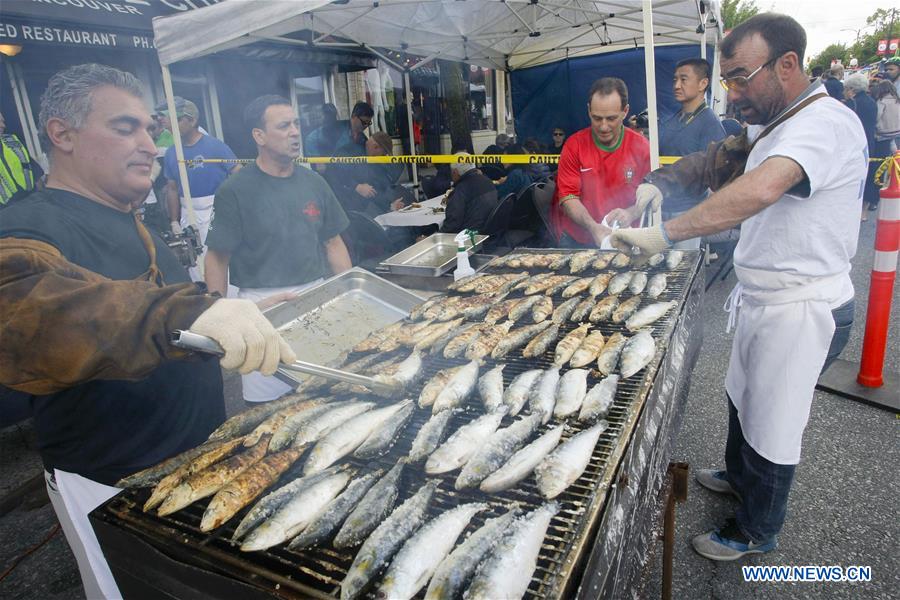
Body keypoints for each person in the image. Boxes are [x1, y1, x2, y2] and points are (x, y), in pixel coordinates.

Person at [0, 64, 295, 599]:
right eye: (125, 128)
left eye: (150, 130)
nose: (149, 145)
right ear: (62, 134)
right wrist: (181, 313)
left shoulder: (137, 221)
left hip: (198, 461)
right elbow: (24, 317)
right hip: (112, 487)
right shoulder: (27, 227)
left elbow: (164, 324)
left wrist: (223, 314)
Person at [610, 13, 865, 561]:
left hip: (803, 306)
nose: (732, 93)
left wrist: (665, 234)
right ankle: (738, 476)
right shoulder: (774, 122)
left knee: (774, 423)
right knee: (743, 395)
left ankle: (757, 529)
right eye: (726, 80)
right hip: (763, 299)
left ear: (788, 64)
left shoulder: (825, 123)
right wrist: (657, 185)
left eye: (741, 78)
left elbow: (761, 188)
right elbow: (717, 160)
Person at [205, 95, 352, 404]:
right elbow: (217, 258)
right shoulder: (235, 190)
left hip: (315, 298)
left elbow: (333, 242)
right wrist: (220, 315)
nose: (295, 132)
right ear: (259, 136)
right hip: (262, 309)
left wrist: (350, 296)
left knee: (325, 396)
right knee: (267, 405)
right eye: (284, 126)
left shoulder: (314, 182)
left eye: (296, 124)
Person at [613, 58, 726, 248]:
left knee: (681, 263)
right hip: (660, 209)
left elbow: (717, 176)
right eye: (675, 80)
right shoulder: (674, 119)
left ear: (703, 83)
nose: (676, 85)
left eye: (683, 79)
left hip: (687, 215)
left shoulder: (710, 124)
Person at [550, 77, 651, 247]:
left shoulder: (641, 147)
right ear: (589, 110)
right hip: (578, 239)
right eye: (597, 118)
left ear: (625, 111)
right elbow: (568, 197)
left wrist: (631, 213)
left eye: (611, 118)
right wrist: (593, 227)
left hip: (625, 239)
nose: (603, 126)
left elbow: (651, 193)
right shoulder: (574, 145)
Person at [161, 97, 239, 278]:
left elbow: (237, 173)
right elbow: (172, 188)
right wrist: (174, 221)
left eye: (178, 120)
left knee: (222, 258)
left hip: (216, 209)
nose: (172, 125)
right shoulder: (172, 152)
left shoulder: (215, 146)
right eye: (171, 120)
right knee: (195, 261)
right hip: (188, 213)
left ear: (192, 120)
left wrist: (231, 205)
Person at [328, 131, 411, 218]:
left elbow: (377, 187)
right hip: (342, 206)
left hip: (360, 206)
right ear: (375, 147)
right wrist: (356, 186)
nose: (382, 157)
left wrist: (390, 205)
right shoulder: (350, 151)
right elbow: (334, 174)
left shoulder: (372, 158)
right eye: (383, 154)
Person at [844, 74, 879, 217]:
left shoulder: (852, 104)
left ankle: (852, 209)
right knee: (868, 175)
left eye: (846, 88)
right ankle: (864, 209)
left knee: (852, 177)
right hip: (869, 142)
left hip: (854, 143)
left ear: (852, 89)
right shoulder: (872, 101)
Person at [440, 153, 498, 233]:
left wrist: (435, 236)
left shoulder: (461, 189)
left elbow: (452, 224)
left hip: (469, 235)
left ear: (455, 172)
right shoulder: (487, 181)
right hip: (489, 230)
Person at [0, 111, 44, 206]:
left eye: (3, 122)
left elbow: (34, 171)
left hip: (32, 200)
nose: (3, 125)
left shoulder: (13, 142)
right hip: (5, 210)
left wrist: (43, 198)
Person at [873, 80, 900, 157]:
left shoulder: (881, 102)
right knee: (896, 154)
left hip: (884, 133)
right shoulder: (897, 100)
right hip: (898, 131)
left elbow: (877, 116)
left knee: (885, 156)